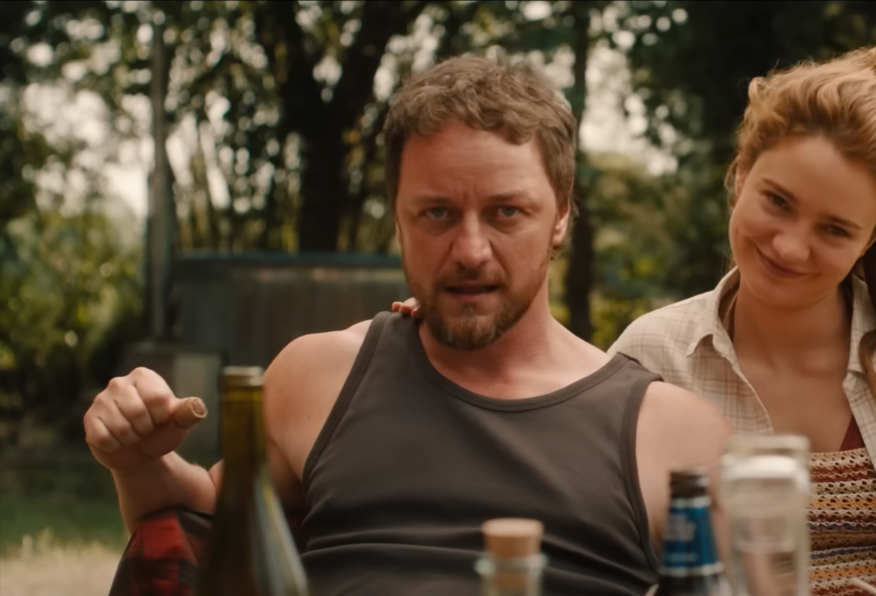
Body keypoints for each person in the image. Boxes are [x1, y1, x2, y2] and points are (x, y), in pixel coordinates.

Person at [395, 45, 876, 594]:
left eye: (834, 229)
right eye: (777, 201)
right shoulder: (651, 358)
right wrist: (457, 312)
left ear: (872, 239)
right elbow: (591, 545)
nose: (790, 246)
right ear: (740, 174)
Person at [85, 53, 733, 596]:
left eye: (506, 212)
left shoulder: (673, 433)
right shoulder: (320, 375)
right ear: (397, 217)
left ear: (560, 214)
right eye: (437, 214)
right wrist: (137, 461)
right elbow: (196, 530)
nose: (470, 250)